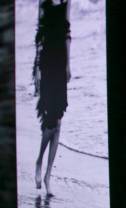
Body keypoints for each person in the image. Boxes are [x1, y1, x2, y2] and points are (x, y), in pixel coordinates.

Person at [33, 0, 71, 196]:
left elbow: (67, 35)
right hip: (47, 64)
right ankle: (39, 160)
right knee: (51, 121)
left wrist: (68, 65)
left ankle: (48, 175)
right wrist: (37, 70)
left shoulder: (67, 1)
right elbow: (39, 37)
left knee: (58, 123)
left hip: (60, 64)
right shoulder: (44, 1)